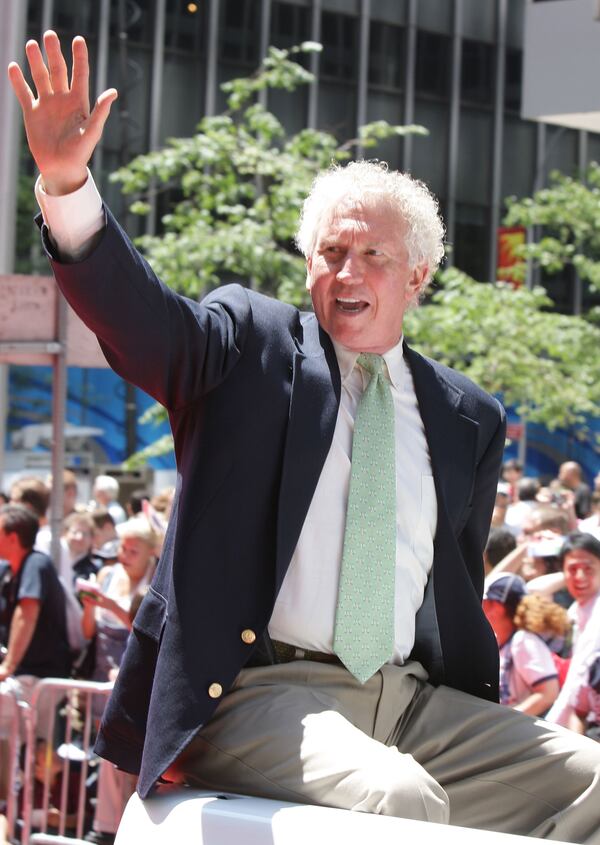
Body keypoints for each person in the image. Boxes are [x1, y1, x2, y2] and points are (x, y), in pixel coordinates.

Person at [8, 32, 600, 842]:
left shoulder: (470, 413)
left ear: (417, 275)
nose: (347, 272)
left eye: (372, 255)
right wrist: (67, 183)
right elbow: (146, 325)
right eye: (330, 253)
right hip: (259, 694)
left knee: (592, 781)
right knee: (403, 802)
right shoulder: (249, 345)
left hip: (417, 702)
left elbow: (455, 583)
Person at [482, 573, 567, 716]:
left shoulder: (523, 641)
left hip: (525, 732)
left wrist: (505, 720)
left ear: (497, 607)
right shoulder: (496, 641)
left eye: (484, 601)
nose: (479, 606)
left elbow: (548, 693)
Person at [546, 533, 600, 728]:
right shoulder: (575, 610)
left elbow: (578, 680)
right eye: (573, 569)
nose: (580, 577)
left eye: (588, 568)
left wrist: (552, 726)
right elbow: (534, 590)